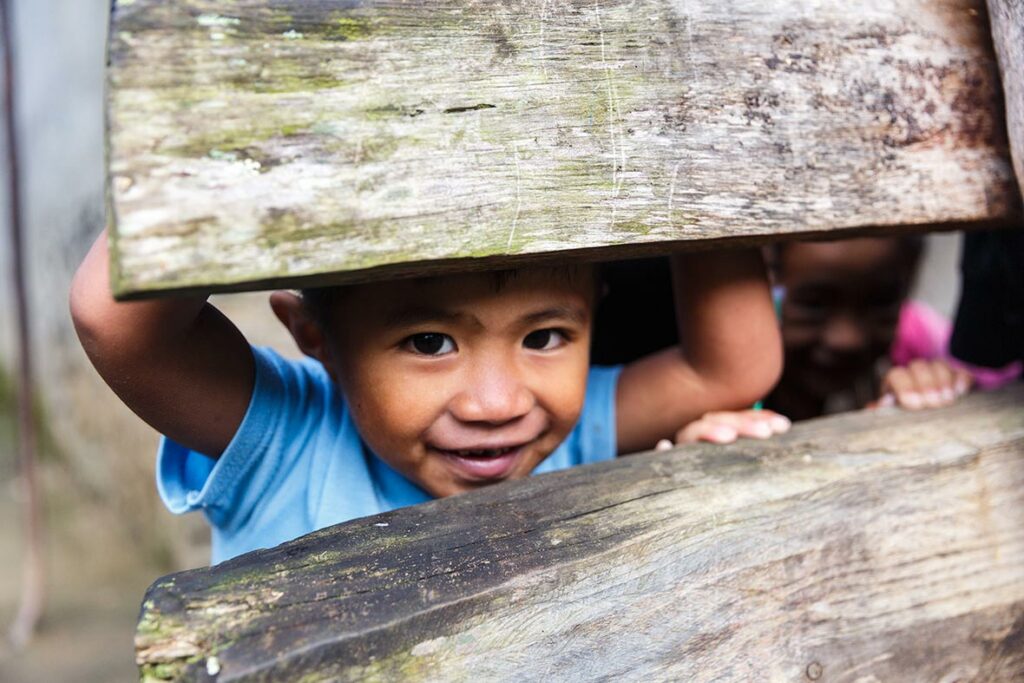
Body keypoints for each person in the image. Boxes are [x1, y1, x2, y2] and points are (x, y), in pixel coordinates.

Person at [70, 230, 782, 562]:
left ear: (594, 308)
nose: (497, 402)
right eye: (429, 343)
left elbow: (729, 372)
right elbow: (115, 321)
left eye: (545, 336)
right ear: (313, 334)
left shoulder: (575, 431)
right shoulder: (291, 440)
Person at [593, 236, 1021, 446]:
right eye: (814, 304)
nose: (847, 338)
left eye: (882, 302)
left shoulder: (914, 340)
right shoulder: (686, 368)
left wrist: (939, 389)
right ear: (759, 285)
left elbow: (997, 382)